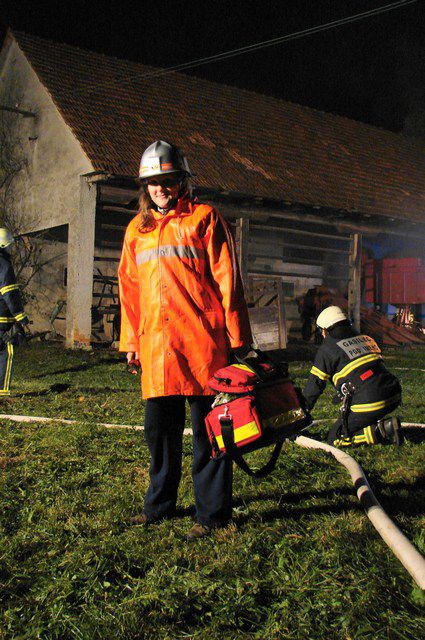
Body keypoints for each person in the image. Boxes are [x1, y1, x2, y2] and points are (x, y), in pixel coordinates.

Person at [118, 140, 252, 539]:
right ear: (145, 187)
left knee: (209, 434)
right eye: (153, 182)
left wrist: (237, 340)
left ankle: (211, 515)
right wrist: (131, 343)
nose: (160, 188)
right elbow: (129, 293)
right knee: (158, 434)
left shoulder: (204, 218)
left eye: (167, 179)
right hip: (157, 349)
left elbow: (229, 282)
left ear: (181, 180)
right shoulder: (136, 230)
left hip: (201, 348)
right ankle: (158, 506)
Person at [303, 305, 403, 447]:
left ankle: (381, 432)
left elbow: (315, 386)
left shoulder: (327, 349)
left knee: (335, 437)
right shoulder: (366, 338)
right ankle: (379, 425)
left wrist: (302, 412)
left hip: (370, 401)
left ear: (325, 330)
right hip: (394, 394)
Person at [0, 228, 30, 399]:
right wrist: (20, 316)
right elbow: (9, 292)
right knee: (6, 350)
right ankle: (2, 390)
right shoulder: (3, 264)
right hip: (2, 318)